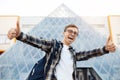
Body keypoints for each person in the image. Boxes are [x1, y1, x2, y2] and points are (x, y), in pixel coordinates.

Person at [7, 20, 116, 80]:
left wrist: (105, 49)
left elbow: (88, 54)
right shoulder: (54, 46)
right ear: (64, 33)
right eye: (70, 31)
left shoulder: (73, 54)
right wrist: (20, 35)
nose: (72, 34)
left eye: (75, 33)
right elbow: (37, 42)